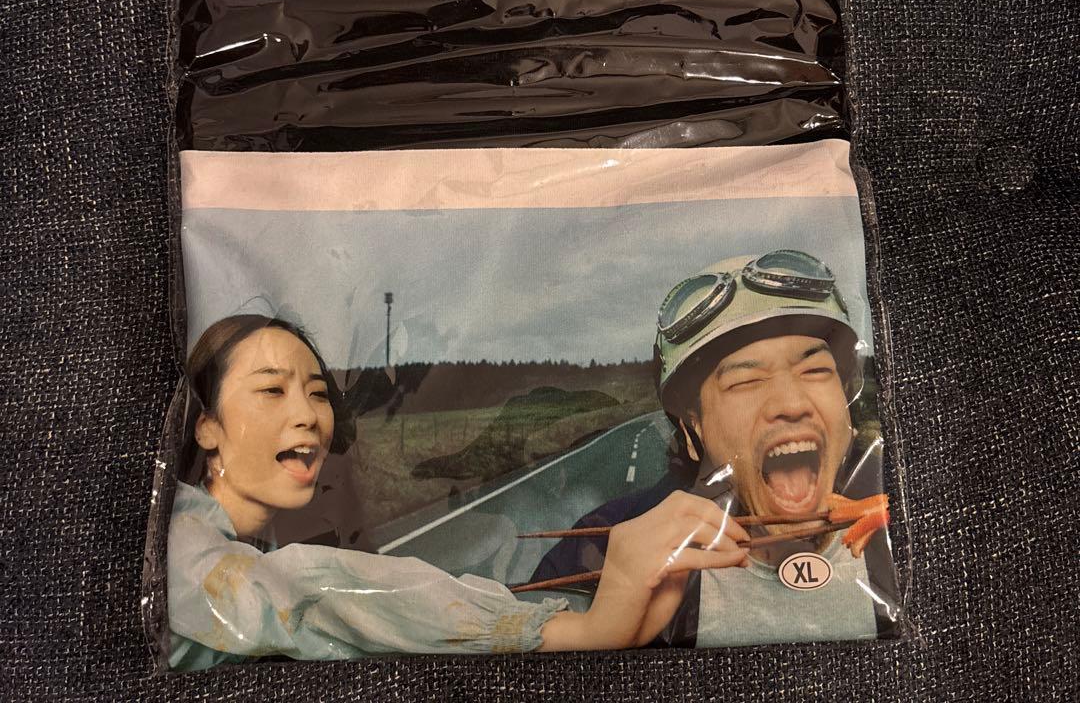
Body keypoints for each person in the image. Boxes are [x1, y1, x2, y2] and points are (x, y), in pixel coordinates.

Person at [166, 314, 746, 669]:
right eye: (272, 391)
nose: (308, 415)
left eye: (318, 393)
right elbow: (314, 591)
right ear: (206, 426)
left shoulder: (230, 545)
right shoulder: (178, 552)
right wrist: (577, 630)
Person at [529, 250, 900, 645]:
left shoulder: (907, 515)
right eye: (745, 381)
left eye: (815, 370)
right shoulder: (603, 545)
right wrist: (591, 634)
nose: (792, 404)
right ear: (694, 428)